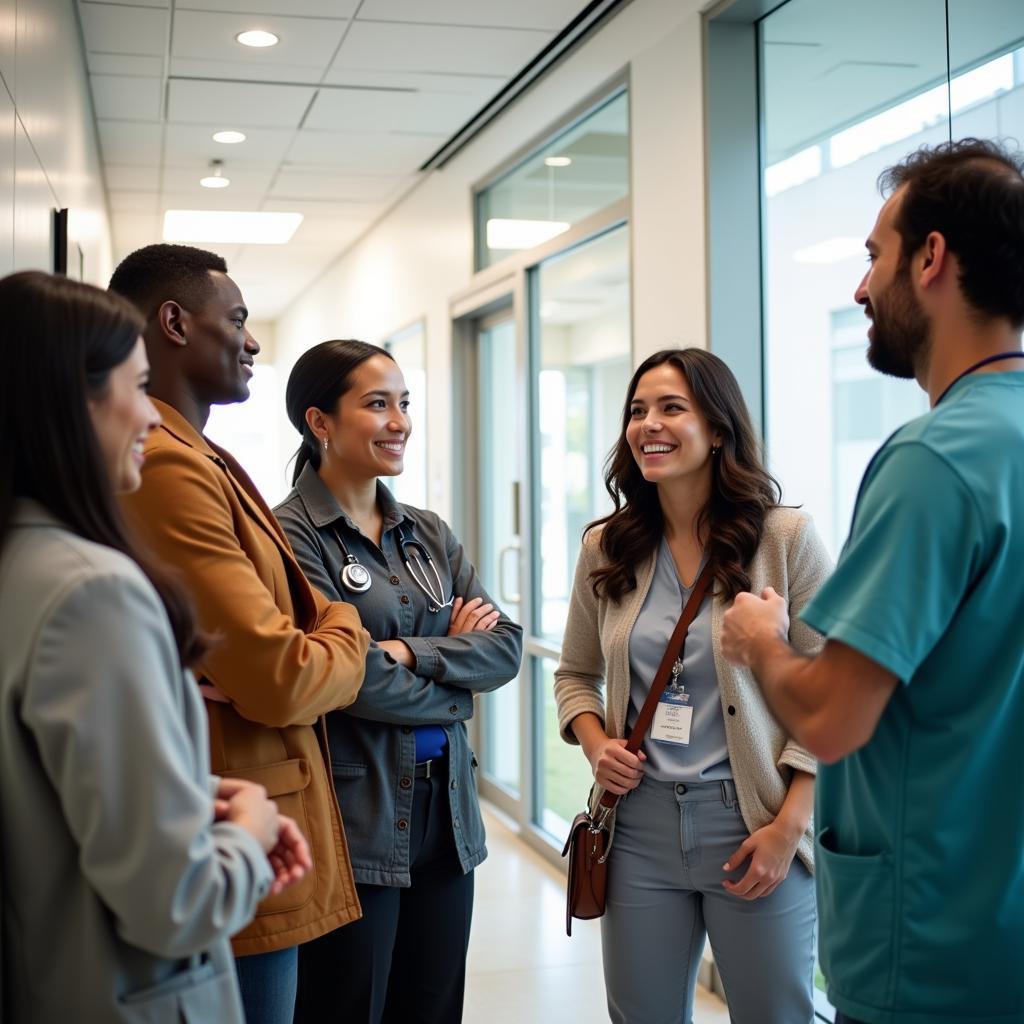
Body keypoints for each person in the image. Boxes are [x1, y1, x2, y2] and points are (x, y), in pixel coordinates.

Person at [720, 138, 1024, 1024]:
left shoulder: (937, 457)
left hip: (934, 947)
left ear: (930, 259)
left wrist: (761, 644)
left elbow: (831, 714)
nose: (860, 290)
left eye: (873, 257)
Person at [0, 270, 310, 1022]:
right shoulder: (93, 594)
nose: (149, 417)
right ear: (72, 401)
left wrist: (185, 800)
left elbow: (42, 795)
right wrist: (248, 833)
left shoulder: (21, 566)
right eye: (137, 389)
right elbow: (177, 902)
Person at [110, 245, 370, 1024]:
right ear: (175, 323)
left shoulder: (200, 452)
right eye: (239, 321)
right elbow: (279, 675)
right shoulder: (164, 462)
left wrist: (312, 633)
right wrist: (351, 628)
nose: (253, 342)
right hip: (239, 822)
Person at [554, 348, 831, 1024]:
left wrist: (789, 826)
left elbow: (834, 692)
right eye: (637, 410)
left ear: (718, 429)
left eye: (671, 408)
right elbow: (574, 675)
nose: (648, 423)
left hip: (754, 824)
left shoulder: (784, 538)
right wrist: (596, 745)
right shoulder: (606, 546)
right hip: (639, 829)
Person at [272, 339, 523, 1023]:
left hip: (448, 818)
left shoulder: (428, 534)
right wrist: (452, 670)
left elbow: (505, 648)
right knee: (352, 1003)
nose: (400, 422)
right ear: (319, 422)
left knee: (434, 1004)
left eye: (404, 403)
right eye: (377, 404)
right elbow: (343, 680)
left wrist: (408, 654)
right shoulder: (289, 538)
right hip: (357, 821)